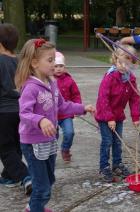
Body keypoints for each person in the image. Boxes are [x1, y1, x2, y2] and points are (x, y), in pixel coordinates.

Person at [15, 38, 95, 212]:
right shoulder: (30, 87)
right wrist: (40, 120)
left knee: (49, 180)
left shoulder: (52, 83)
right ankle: (35, 208)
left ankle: (34, 207)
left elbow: (63, 105)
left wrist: (82, 108)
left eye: (55, 60)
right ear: (35, 63)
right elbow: (24, 113)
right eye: (50, 60)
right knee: (42, 188)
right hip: (33, 143)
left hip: (49, 139)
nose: (54, 64)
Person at [95, 44, 140, 183]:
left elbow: (134, 98)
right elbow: (103, 98)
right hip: (105, 116)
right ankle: (104, 167)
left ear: (131, 65)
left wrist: (136, 116)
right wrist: (109, 118)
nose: (122, 66)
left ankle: (117, 164)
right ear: (115, 60)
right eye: (120, 62)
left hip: (118, 116)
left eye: (126, 64)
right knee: (107, 141)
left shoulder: (130, 79)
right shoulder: (110, 77)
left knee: (117, 142)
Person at [0, 23, 32, 195]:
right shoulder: (21, 62)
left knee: (5, 149)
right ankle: (8, 175)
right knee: (16, 146)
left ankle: (25, 177)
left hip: (3, 111)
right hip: (21, 110)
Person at [54, 51, 82, 162]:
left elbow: (76, 94)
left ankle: (65, 149)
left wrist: (78, 107)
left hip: (66, 113)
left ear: (64, 67)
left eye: (61, 66)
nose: (58, 69)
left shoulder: (69, 80)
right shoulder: (48, 80)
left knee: (70, 132)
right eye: (56, 66)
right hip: (52, 114)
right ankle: (51, 154)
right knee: (52, 137)